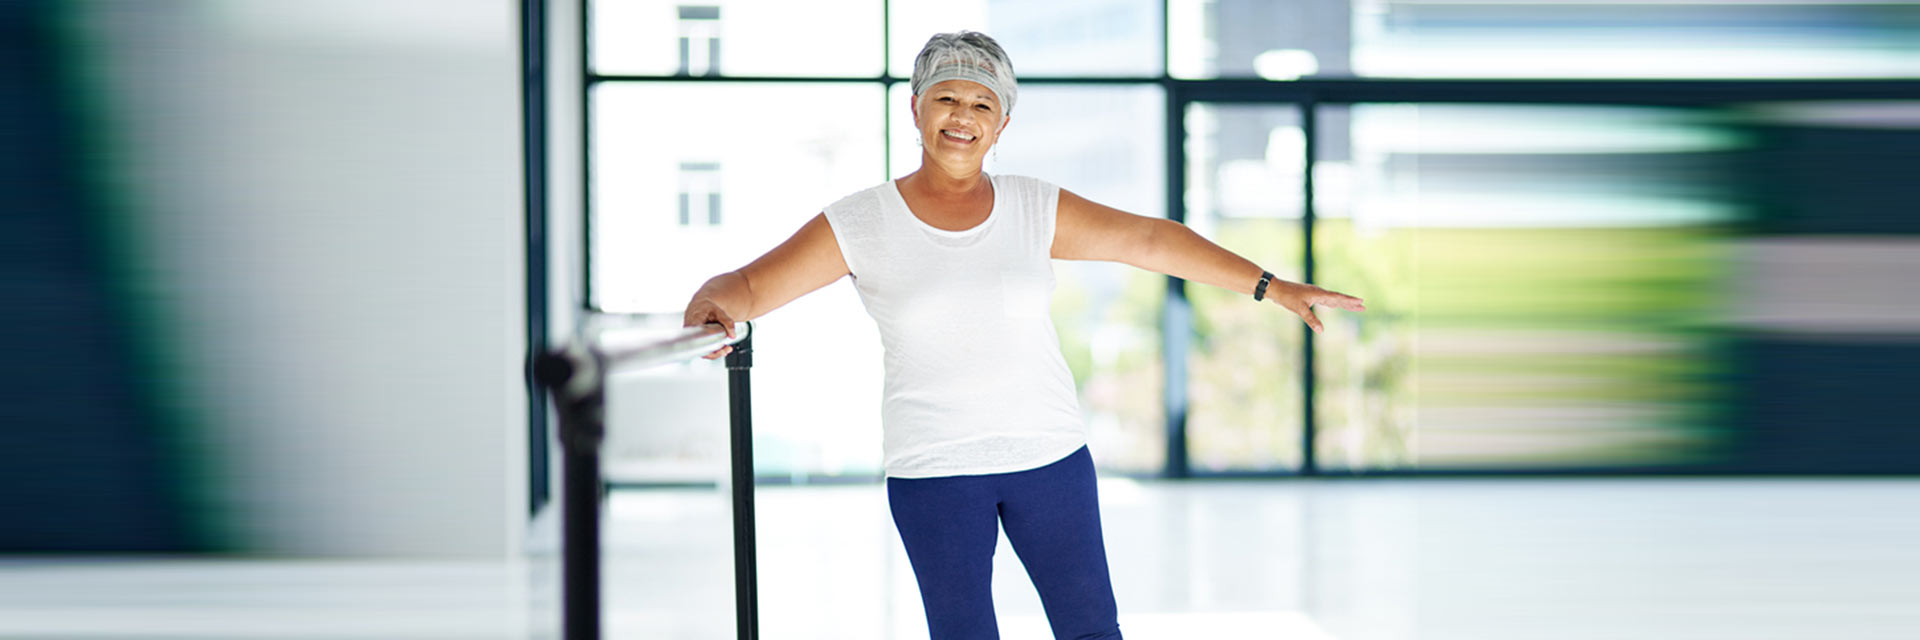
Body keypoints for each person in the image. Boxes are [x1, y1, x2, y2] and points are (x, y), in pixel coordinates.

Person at [682, 30, 1365, 640]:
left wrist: (1271, 285)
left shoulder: (1035, 207)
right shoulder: (862, 222)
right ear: (915, 108)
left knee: (1092, 629)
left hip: (1050, 458)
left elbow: (1152, 240)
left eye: (982, 104)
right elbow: (745, 288)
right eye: (946, 98)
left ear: (1003, 122)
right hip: (934, 470)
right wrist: (711, 302)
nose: (962, 117)